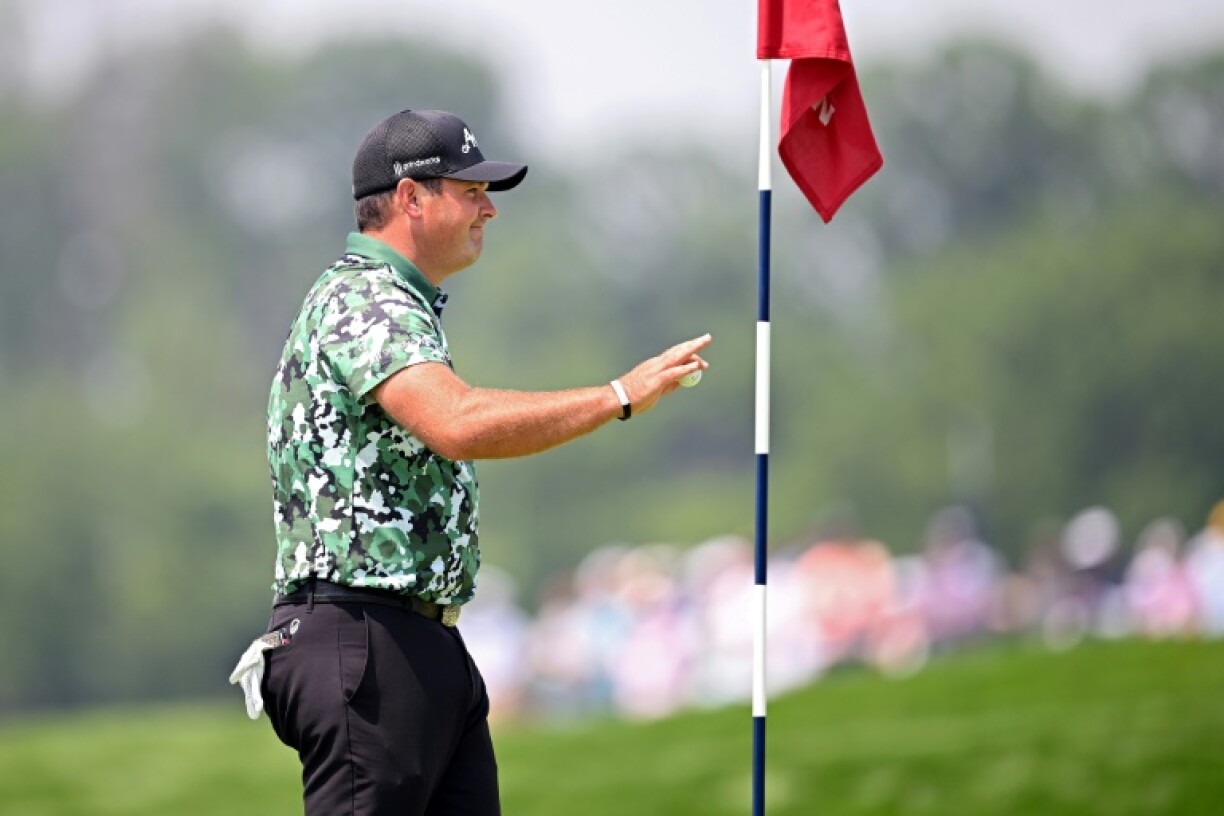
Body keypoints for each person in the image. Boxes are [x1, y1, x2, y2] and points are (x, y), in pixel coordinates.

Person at [231, 109, 711, 816]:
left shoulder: (397, 302)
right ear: (410, 199)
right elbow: (455, 423)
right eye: (470, 190)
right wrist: (618, 395)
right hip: (364, 640)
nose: (489, 209)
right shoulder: (366, 297)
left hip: (412, 642)